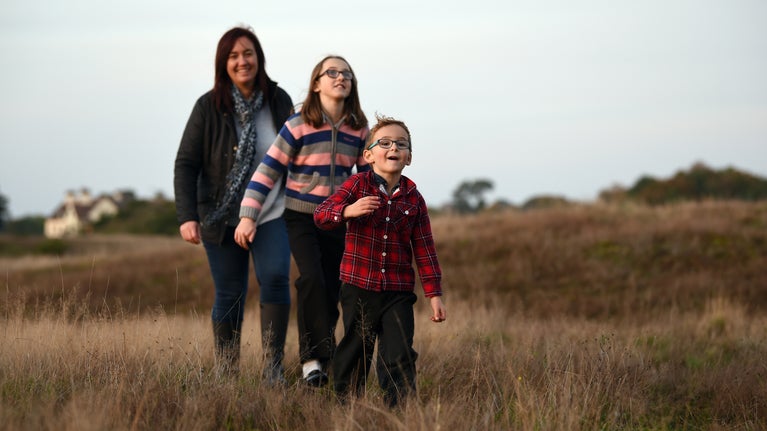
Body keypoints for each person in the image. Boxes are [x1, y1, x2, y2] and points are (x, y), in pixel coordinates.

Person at [235, 55, 369, 387]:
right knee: (311, 279)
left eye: (347, 74)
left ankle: (323, 360)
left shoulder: (358, 129)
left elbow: (367, 179)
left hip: (339, 218)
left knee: (331, 286)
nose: (341, 78)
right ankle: (312, 360)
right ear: (316, 83)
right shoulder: (298, 124)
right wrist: (248, 216)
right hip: (301, 216)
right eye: (333, 72)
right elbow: (267, 171)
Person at [173, 26, 294, 383]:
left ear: (259, 58)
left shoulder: (278, 99)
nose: (242, 62)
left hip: (273, 210)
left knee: (274, 278)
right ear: (223, 63)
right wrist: (187, 216)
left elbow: (298, 151)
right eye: (233, 56)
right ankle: (226, 375)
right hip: (222, 216)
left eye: (248, 53)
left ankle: (273, 370)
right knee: (230, 292)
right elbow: (186, 163)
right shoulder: (208, 107)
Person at [313, 114, 447, 407]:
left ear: (409, 157)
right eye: (384, 142)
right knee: (356, 349)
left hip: (397, 292)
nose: (393, 148)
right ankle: (346, 408)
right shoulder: (357, 186)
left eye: (401, 144)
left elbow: (424, 249)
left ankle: (399, 410)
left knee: (399, 352)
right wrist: (348, 211)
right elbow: (322, 214)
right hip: (359, 286)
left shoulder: (414, 199)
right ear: (369, 155)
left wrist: (434, 294)